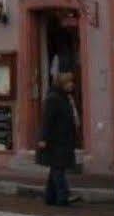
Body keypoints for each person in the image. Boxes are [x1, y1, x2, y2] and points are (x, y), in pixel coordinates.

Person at [36, 67, 83, 207]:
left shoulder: (66, 98)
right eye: (69, 82)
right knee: (58, 168)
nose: (72, 85)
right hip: (55, 140)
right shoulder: (53, 99)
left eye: (72, 82)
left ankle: (50, 197)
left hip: (64, 138)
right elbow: (47, 120)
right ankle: (63, 197)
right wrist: (43, 138)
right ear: (62, 84)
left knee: (56, 168)